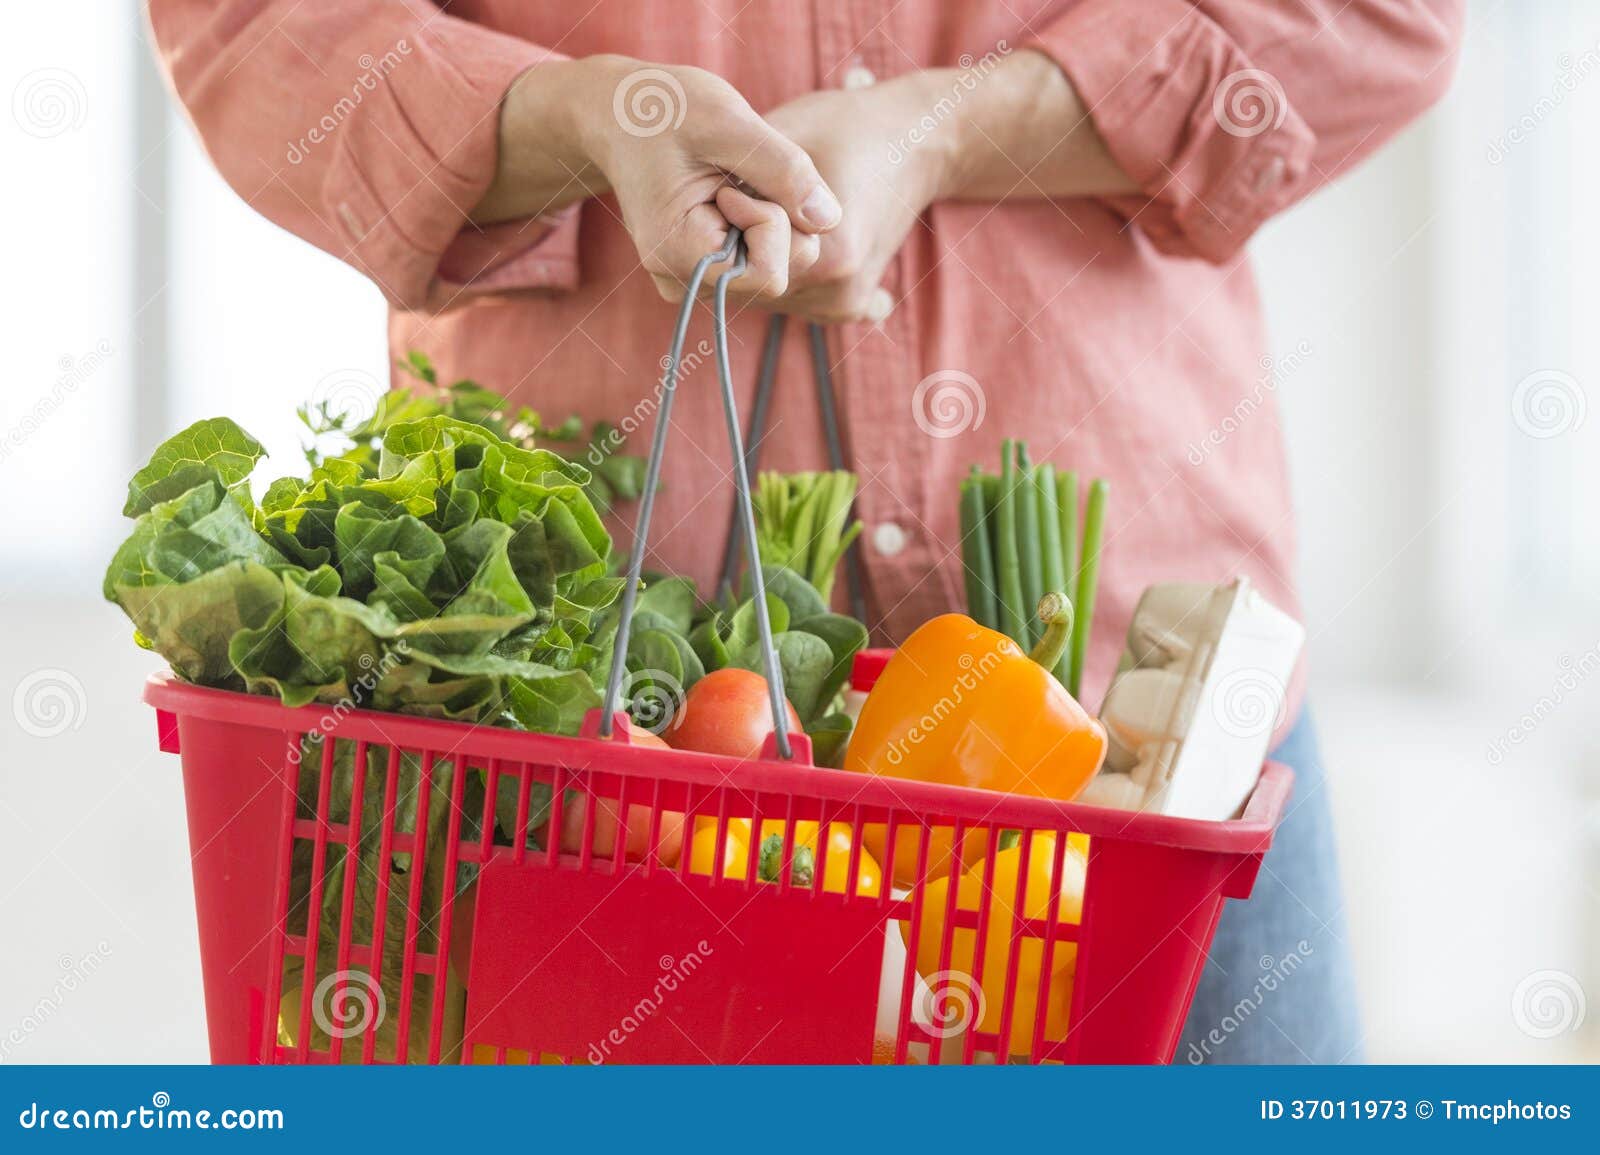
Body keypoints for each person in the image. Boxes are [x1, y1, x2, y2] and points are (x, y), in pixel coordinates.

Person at [148, 0, 1463, 1063]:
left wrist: (960, 127)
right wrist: (567, 117)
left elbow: (1376, 18)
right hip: (595, 771)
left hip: (1140, 751)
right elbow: (249, 24)